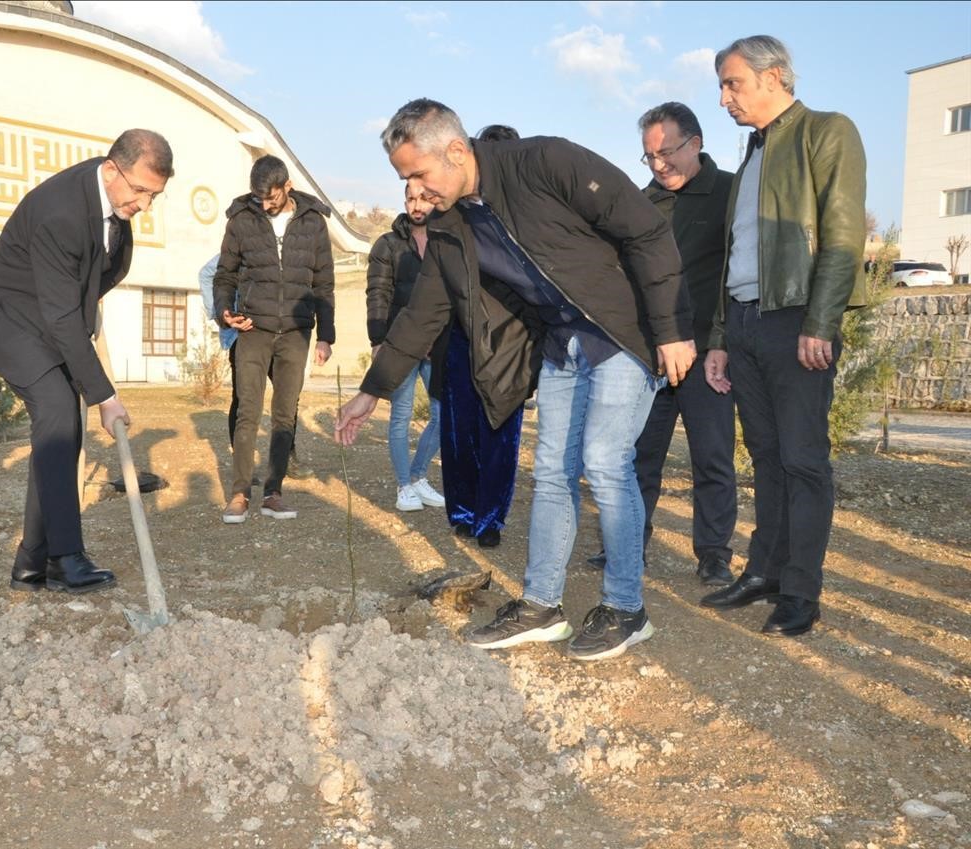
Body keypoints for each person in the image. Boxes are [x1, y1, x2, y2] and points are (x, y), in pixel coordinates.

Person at [336, 99, 695, 662]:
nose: (417, 191)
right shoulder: (452, 226)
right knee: (551, 469)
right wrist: (372, 390)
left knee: (604, 462)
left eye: (419, 174)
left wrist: (672, 329)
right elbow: (424, 311)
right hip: (563, 344)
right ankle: (541, 606)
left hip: (624, 332)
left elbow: (646, 230)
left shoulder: (545, 162)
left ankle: (627, 609)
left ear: (456, 151)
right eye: (406, 179)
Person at [0, 129, 174, 593]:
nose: (145, 206)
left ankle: (33, 561)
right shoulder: (62, 212)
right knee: (57, 408)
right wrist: (105, 396)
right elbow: (59, 315)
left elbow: (98, 276)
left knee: (59, 427)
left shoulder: (112, 202)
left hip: (48, 312)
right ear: (112, 169)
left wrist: (84, 307)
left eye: (154, 196)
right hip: (4, 312)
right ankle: (64, 556)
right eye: (139, 191)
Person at [701, 36, 867, 637]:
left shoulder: (827, 130)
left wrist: (820, 322)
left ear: (773, 77)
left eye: (732, 83)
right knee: (765, 457)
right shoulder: (752, 153)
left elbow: (844, 235)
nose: (724, 97)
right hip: (744, 323)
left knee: (802, 461)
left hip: (796, 319)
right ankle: (764, 571)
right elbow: (736, 255)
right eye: (721, 85)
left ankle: (801, 591)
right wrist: (720, 335)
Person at [588, 103, 737, 586]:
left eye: (667, 152)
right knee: (636, 456)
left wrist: (720, 342)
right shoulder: (641, 201)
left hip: (708, 353)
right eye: (648, 156)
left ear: (695, 142)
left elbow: (737, 279)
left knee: (712, 458)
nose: (658, 165)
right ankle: (629, 543)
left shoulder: (731, 195)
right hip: (648, 355)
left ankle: (714, 553)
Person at [214, 156, 334, 523]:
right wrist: (224, 312)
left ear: (287, 187)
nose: (265, 205)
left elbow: (323, 283)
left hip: (297, 331)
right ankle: (239, 494)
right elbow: (224, 276)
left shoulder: (314, 223)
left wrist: (325, 336)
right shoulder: (241, 221)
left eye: (272, 198)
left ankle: (273, 493)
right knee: (247, 411)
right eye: (259, 198)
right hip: (254, 330)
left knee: (285, 414)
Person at [439, 124, 527, 548]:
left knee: (500, 435)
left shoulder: (529, 215)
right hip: (461, 337)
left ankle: (491, 518)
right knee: (458, 430)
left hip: (511, 343)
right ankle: (462, 509)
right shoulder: (456, 217)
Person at [366, 185, 445, 513]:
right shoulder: (388, 244)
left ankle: (417, 476)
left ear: (435, 201)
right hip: (400, 344)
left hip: (437, 343)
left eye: (424, 198)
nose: (417, 205)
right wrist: (378, 340)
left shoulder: (446, 242)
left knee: (444, 414)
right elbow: (378, 293)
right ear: (404, 202)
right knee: (401, 415)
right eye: (411, 198)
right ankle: (403, 486)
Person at [198, 253, 308, 478]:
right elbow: (206, 273)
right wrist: (223, 315)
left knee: (288, 395)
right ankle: (243, 462)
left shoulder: (287, 248)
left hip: (279, 334)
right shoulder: (241, 245)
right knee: (243, 398)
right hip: (245, 335)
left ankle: (286, 457)